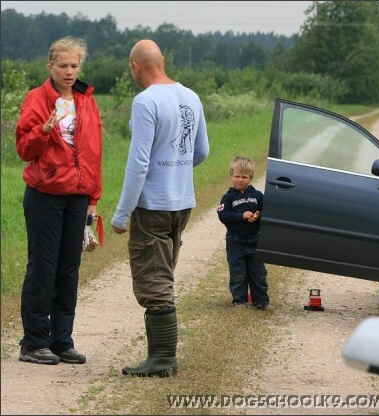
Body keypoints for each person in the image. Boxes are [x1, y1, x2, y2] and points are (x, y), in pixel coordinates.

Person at [111, 39, 210, 377]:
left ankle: (163, 358)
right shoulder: (191, 97)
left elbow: (138, 163)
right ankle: (161, 355)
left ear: (135, 67)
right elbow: (201, 152)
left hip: (152, 204)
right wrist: (175, 169)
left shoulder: (145, 101)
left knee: (155, 281)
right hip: (181, 202)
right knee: (164, 275)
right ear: (162, 61)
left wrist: (122, 213)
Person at [15, 36, 103, 365]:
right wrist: (42, 130)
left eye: (74, 65)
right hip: (45, 196)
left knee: (69, 269)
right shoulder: (37, 99)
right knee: (43, 268)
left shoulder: (86, 100)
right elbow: (23, 149)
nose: (69, 71)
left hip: (78, 196)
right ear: (50, 66)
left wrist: (93, 199)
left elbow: (95, 152)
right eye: (63, 66)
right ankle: (34, 341)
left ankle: (62, 340)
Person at [217, 156, 274, 311]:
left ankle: (261, 301)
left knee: (258, 272)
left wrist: (258, 215)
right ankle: (239, 301)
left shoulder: (257, 196)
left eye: (244, 177)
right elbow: (223, 215)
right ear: (231, 176)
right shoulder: (228, 198)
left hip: (255, 241)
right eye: (237, 176)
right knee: (238, 272)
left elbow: (267, 211)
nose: (240, 180)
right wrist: (241, 216)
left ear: (250, 178)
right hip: (235, 242)